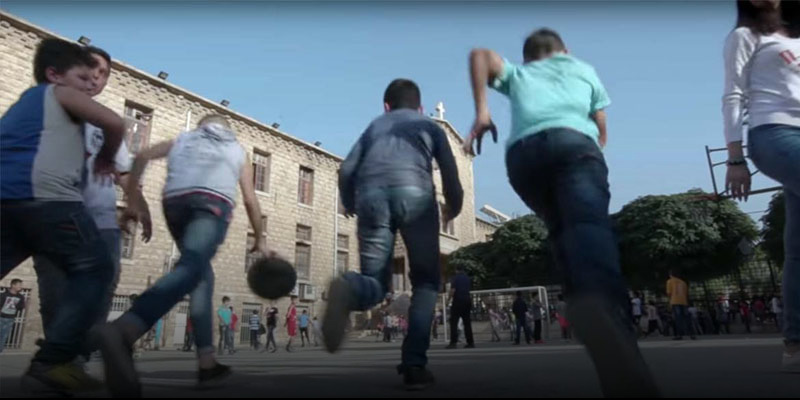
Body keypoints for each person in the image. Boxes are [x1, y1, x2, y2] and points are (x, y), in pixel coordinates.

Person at [465, 29, 658, 396]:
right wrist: (593, 148)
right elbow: (601, 123)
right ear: (565, 51)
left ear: (527, 58)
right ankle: (601, 311)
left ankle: (585, 305)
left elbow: (480, 54)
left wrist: (483, 111)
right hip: (574, 145)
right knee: (588, 226)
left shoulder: (520, 74)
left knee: (562, 232)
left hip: (523, 158)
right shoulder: (582, 69)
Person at [97, 113, 271, 395]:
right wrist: (260, 238)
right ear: (228, 130)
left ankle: (207, 363)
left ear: (201, 127)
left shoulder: (183, 139)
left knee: (200, 274)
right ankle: (126, 328)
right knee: (191, 268)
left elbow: (141, 157)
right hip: (210, 204)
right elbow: (251, 199)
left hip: (175, 203)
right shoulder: (237, 149)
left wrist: (131, 203)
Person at [1, 38, 125, 392]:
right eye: (82, 77)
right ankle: (52, 361)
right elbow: (115, 123)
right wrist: (106, 158)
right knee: (96, 269)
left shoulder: (24, 104)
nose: (90, 84)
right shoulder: (59, 93)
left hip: (7, 201)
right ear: (54, 74)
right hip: (49, 200)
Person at [323, 78, 463, 390]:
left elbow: (346, 169)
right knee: (426, 282)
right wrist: (453, 206)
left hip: (371, 198)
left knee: (375, 282)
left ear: (386, 106)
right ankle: (414, 364)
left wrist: (349, 202)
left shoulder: (375, 126)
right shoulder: (430, 127)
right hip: (415, 195)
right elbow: (450, 172)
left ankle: (350, 286)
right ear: (421, 107)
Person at [32, 45, 151, 366]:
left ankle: (73, 359)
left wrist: (140, 205)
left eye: (103, 74)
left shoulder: (103, 122)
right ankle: (59, 364)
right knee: (56, 294)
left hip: (102, 225)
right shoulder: (43, 109)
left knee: (101, 291)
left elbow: (124, 173)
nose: (96, 78)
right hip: (54, 218)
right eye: (90, 69)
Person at [722, 0, 799, 372]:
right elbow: (733, 95)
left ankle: (795, 345)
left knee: (797, 250)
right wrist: (735, 159)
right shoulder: (745, 36)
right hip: (774, 134)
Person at [447, 266, 475, 349]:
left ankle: (453, 342)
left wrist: (448, 300)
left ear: (456, 270)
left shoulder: (455, 278)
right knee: (467, 323)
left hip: (458, 301)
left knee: (454, 322)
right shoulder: (467, 278)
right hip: (467, 301)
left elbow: (453, 290)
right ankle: (470, 342)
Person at [667, 270, 695, 340]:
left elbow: (669, 293)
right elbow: (686, 293)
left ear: (670, 274)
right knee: (687, 318)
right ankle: (692, 334)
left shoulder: (670, 281)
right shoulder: (683, 282)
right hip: (683, 301)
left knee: (678, 319)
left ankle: (679, 335)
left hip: (675, 301)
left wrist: (670, 302)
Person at [0, 279, 26, 353]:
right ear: (13, 285)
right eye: (19, 285)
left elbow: (21, 307)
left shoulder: (21, 297)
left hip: (10, 318)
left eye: (21, 285)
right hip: (1, 317)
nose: (21, 286)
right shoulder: (3, 295)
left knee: (4, 335)